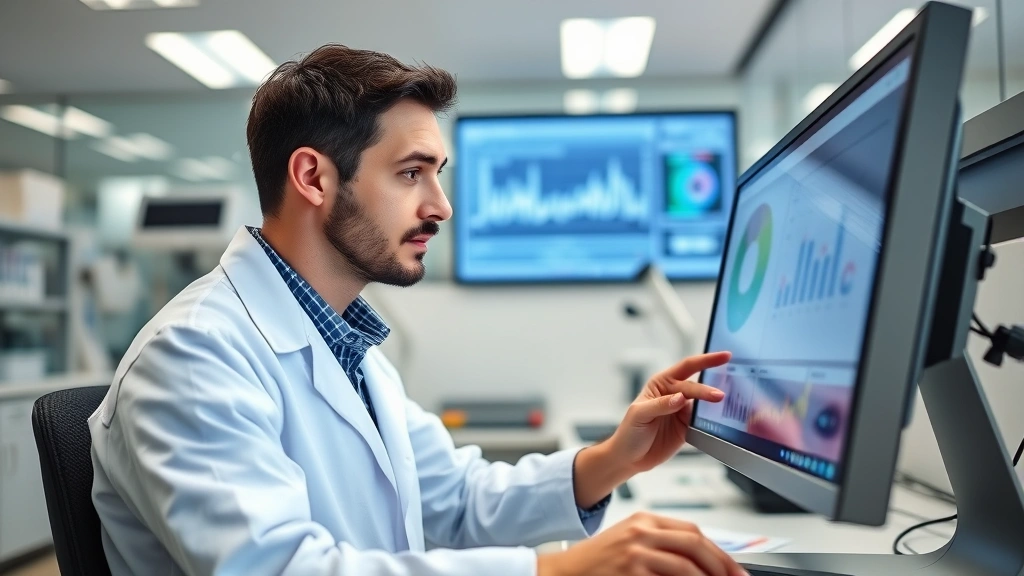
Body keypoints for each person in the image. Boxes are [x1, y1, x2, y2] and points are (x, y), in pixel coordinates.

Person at [89, 44, 748, 576]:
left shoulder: (347, 347)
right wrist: (559, 569)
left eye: (439, 173)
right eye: (411, 173)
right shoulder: (193, 355)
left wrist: (614, 457)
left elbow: (454, 503)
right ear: (313, 178)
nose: (441, 206)